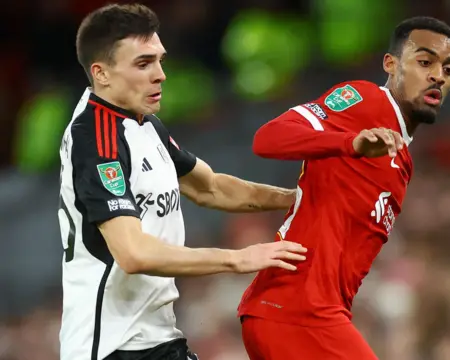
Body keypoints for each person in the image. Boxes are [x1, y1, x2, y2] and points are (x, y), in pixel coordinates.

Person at [58, 4, 307, 360]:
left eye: (159, 60)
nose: (160, 74)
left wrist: (298, 198)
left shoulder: (143, 124)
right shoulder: (96, 139)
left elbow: (210, 187)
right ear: (102, 74)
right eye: (143, 64)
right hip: (111, 347)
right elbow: (133, 253)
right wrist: (238, 259)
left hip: (156, 339)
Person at [238, 16, 450, 359]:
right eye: (425, 62)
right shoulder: (364, 99)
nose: (438, 76)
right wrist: (350, 143)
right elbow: (267, 139)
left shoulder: (402, 160)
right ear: (390, 63)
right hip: (295, 311)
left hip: (308, 314)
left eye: (449, 68)